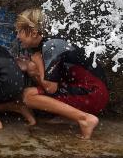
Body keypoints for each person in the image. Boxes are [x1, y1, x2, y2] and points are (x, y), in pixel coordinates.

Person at [14, 8, 106, 139]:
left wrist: (36, 65)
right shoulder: (50, 43)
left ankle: (85, 119)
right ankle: (69, 115)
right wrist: (32, 68)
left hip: (94, 94)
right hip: (92, 92)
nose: (17, 36)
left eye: (20, 31)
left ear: (34, 33)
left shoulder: (51, 46)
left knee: (28, 95)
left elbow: (51, 89)